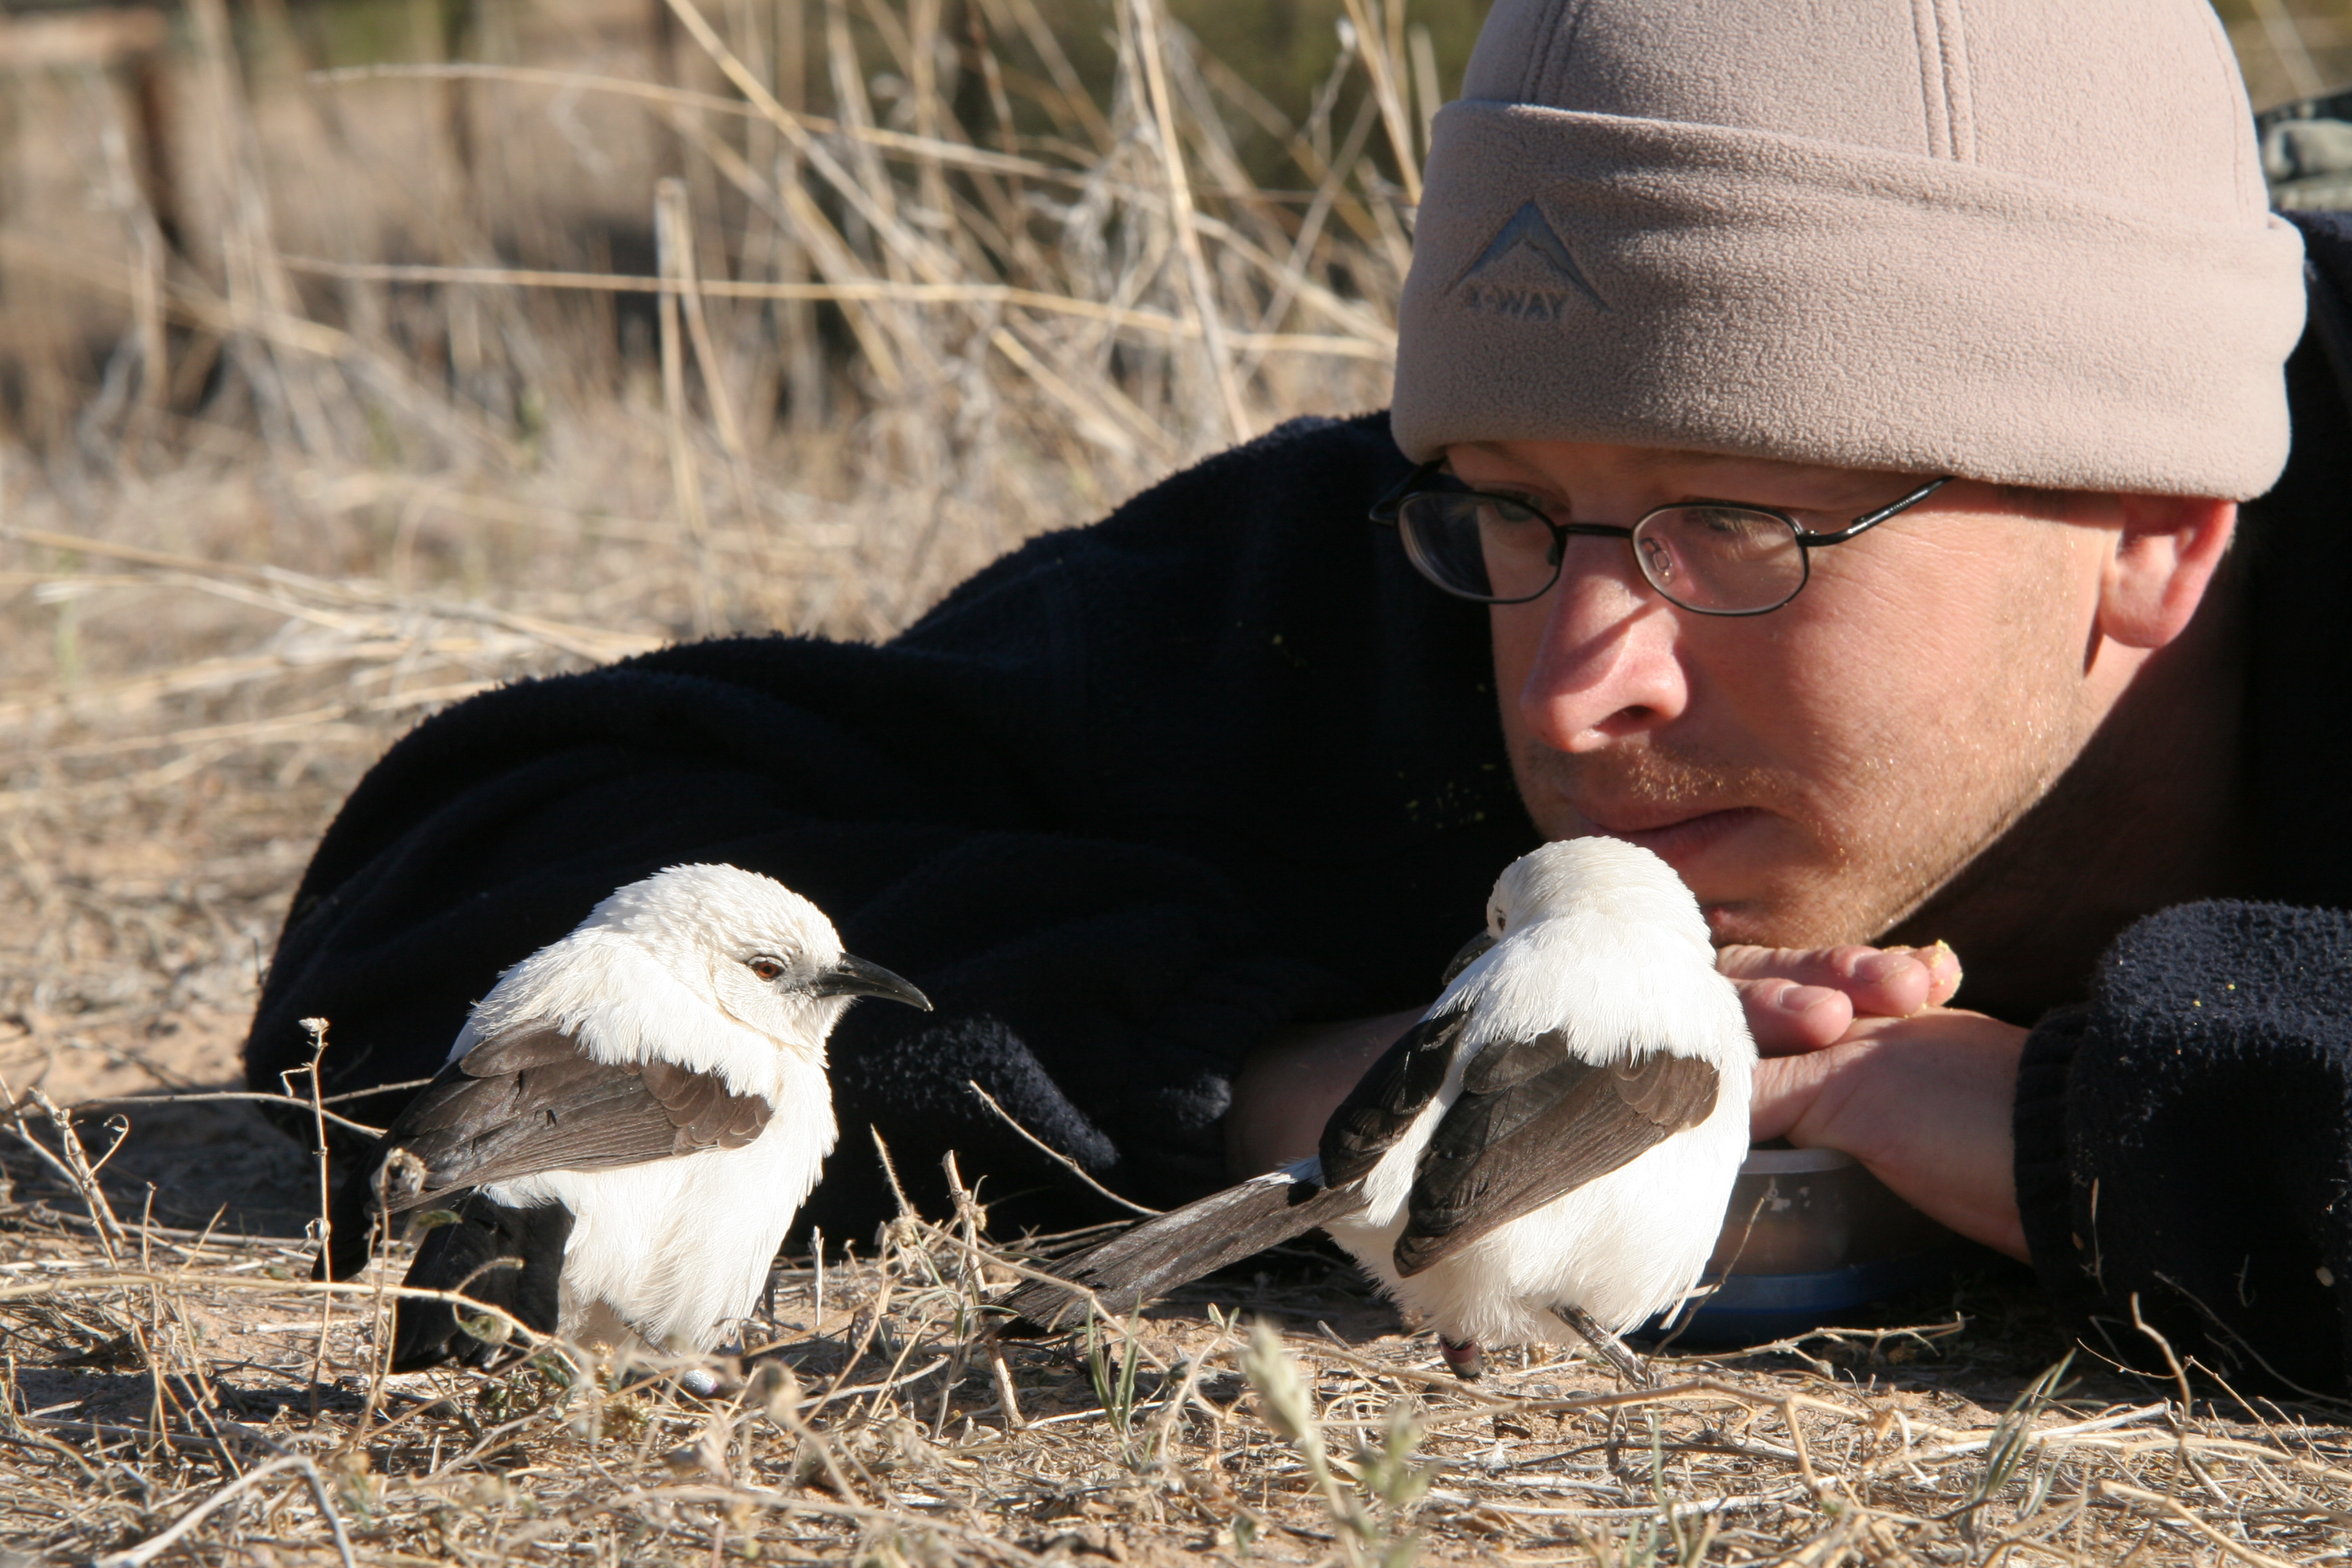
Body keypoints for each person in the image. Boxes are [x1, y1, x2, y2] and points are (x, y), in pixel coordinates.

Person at [248, 0, 2352, 1393]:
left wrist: (2111, 1124)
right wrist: (1278, 1074)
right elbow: (467, 880)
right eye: (1519, 509)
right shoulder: (1370, 597)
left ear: (2155, 536)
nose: (1579, 678)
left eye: (1734, 527)